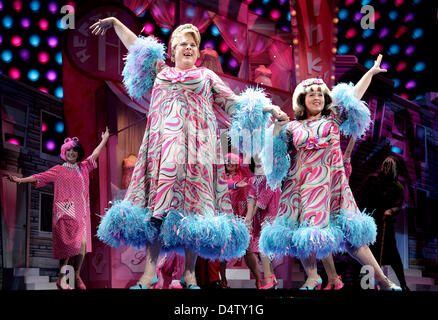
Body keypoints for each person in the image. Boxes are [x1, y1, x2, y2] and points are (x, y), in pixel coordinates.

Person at [90, 18, 289, 289]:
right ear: (171, 51)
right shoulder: (160, 72)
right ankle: (149, 275)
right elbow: (138, 47)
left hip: (198, 152)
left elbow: (235, 103)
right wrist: (115, 23)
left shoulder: (207, 77)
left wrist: (268, 109)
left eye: (193, 44)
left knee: (194, 214)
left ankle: (190, 274)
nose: (188, 47)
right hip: (163, 151)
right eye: (182, 43)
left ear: (197, 52)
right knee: (158, 212)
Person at [258, 54, 401, 290]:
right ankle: (313, 277)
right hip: (301, 188)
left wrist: (370, 74)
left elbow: (354, 95)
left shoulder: (333, 118)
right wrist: (276, 125)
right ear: (302, 100)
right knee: (303, 236)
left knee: (354, 240)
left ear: (325, 99)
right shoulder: (293, 126)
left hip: (332, 187)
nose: (315, 96)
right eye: (310, 93)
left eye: (319, 93)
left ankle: (384, 282)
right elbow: (272, 156)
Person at [8, 128, 110, 290]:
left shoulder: (83, 167)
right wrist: (20, 180)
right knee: (68, 249)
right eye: (68, 150)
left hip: (81, 213)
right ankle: (62, 279)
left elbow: (95, 154)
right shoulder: (59, 170)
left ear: (78, 154)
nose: (71, 153)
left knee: (82, 247)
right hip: (66, 212)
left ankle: (75, 276)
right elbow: (39, 177)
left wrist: (104, 140)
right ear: (64, 153)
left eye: (74, 151)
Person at [356, 155, 409, 291]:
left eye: (390, 166)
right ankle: (365, 285)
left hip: (386, 224)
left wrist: (391, 210)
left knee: (393, 256)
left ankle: (403, 284)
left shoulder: (398, 187)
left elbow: (399, 205)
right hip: (369, 223)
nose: (387, 168)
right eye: (385, 165)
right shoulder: (373, 179)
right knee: (367, 253)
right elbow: (360, 195)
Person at [244, 155, 281, 289]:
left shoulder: (272, 179)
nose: (260, 166)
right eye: (257, 164)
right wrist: (248, 219)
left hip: (271, 216)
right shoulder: (254, 180)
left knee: (262, 247)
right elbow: (251, 198)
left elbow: (262, 202)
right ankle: (271, 277)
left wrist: (251, 216)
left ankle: (269, 279)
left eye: (262, 164)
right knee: (260, 249)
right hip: (260, 219)